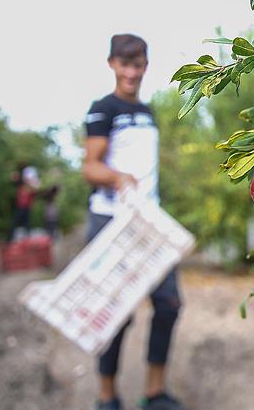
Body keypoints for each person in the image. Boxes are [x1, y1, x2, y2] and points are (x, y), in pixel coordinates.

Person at [82, 34, 184, 410]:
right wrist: (118, 178)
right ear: (112, 64)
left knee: (169, 303)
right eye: (124, 64)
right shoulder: (103, 109)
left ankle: (155, 394)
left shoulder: (148, 111)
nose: (131, 71)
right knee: (115, 313)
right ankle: (107, 398)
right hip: (111, 220)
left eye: (137, 63)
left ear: (146, 65)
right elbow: (90, 166)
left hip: (149, 220)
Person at [9, 162, 40, 241]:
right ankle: (11, 240)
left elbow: (36, 188)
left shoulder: (31, 188)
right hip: (20, 208)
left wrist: (32, 182)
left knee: (27, 226)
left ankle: (27, 241)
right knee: (14, 224)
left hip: (26, 208)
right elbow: (14, 177)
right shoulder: (21, 184)